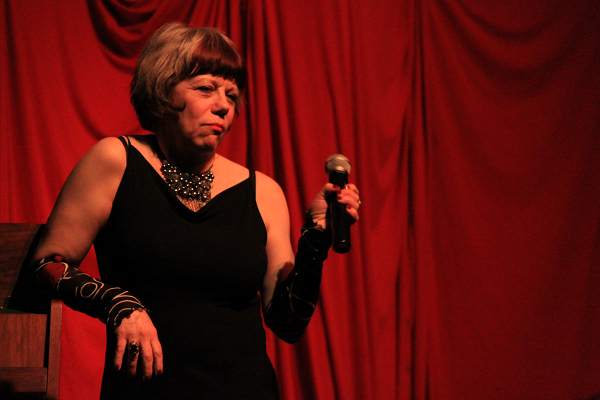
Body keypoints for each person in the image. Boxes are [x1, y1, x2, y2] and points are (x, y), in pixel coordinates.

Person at [32, 22, 360, 399]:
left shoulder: (264, 192)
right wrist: (118, 303)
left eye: (232, 95)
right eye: (206, 88)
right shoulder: (115, 161)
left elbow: (287, 323)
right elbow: (45, 265)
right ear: (163, 89)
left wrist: (316, 237)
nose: (223, 105)